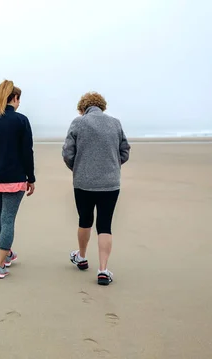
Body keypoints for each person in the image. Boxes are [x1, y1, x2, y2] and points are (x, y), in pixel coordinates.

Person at [62, 92, 131, 285]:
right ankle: (103, 270)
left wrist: (77, 168)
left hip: (83, 182)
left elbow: (68, 152)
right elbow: (125, 151)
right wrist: (113, 166)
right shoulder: (115, 123)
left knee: (85, 220)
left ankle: (82, 257)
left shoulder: (78, 123)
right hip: (110, 183)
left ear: (82, 108)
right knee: (105, 225)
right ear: (102, 106)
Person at [0, 79, 36, 279]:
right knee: (8, 218)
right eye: (19, 99)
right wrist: (31, 178)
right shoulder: (21, 120)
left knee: (2, 215)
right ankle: (0, 265)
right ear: (14, 98)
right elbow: (27, 152)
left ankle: (7, 254)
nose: (19, 103)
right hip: (14, 179)